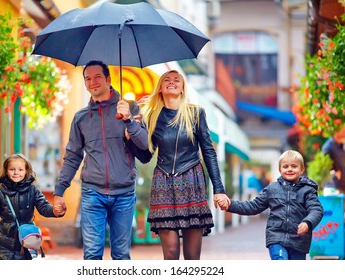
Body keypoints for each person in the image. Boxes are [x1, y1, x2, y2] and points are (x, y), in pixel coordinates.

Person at [52, 60, 148, 260]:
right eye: (88, 78)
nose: (92, 82)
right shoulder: (81, 118)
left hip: (124, 193)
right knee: (92, 254)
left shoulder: (131, 109)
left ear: (108, 79)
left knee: (121, 254)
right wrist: (59, 191)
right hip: (92, 193)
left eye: (97, 77)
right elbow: (72, 156)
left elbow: (145, 144)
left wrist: (128, 120)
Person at [135, 70, 230, 260]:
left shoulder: (196, 113)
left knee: (192, 257)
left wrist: (219, 189)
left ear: (182, 88)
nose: (172, 82)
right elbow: (145, 156)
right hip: (163, 183)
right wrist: (131, 131)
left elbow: (208, 152)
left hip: (191, 181)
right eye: (167, 80)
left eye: (176, 80)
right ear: (160, 88)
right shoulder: (152, 116)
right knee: (170, 253)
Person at [226, 150, 323, 260]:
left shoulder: (308, 190)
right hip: (276, 238)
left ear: (302, 170)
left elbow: (316, 209)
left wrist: (307, 223)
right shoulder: (272, 189)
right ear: (280, 170)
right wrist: (230, 205)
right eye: (285, 166)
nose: (289, 169)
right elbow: (253, 206)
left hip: (299, 240)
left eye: (294, 166)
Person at [0, 154, 58, 260]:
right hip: (4, 243)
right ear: (6, 171)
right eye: (12, 169)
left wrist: (55, 210)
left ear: (26, 171)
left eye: (20, 169)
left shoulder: (33, 191)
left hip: (26, 240)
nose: (16, 172)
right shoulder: (0, 193)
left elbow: (44, 208)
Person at [322, 126, 345, 193]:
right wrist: (335, 172)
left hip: (342, 188)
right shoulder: (327, 147)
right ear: (335, 132)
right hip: (333, 190)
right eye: (342, 130)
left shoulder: (342, 146)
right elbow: (325, 169)